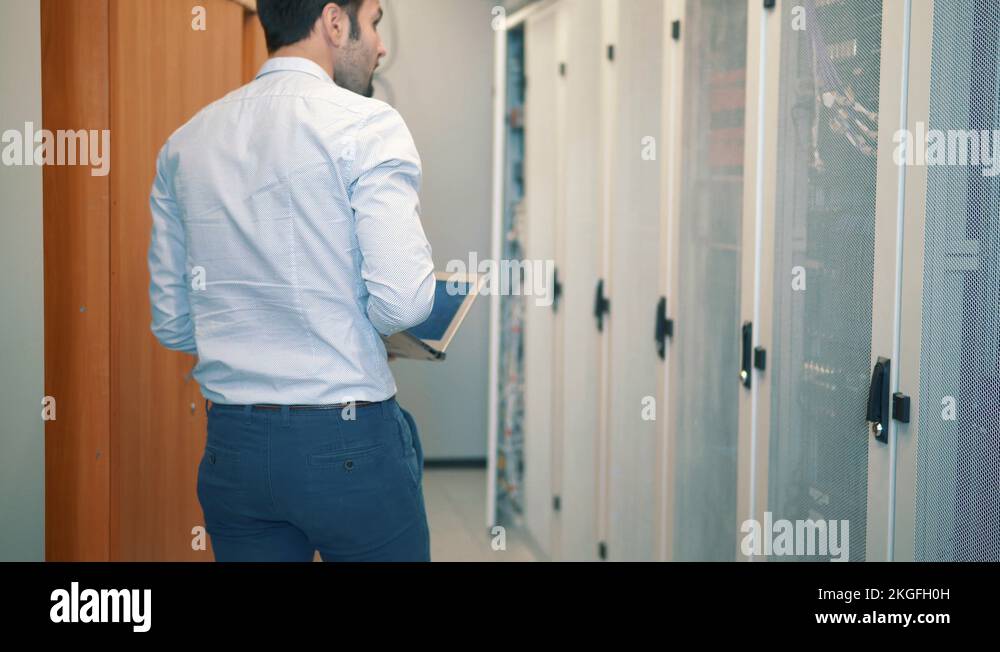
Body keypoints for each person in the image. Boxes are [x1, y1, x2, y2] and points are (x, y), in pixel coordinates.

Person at [147, 0, 435, 561]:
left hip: (235, 451)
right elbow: (402, 302)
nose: (382, 45)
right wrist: (347, 325)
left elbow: (174, 324)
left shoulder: (185, 143)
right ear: (334, 21)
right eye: (374, 21)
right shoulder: (368, 124)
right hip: (350, 444)